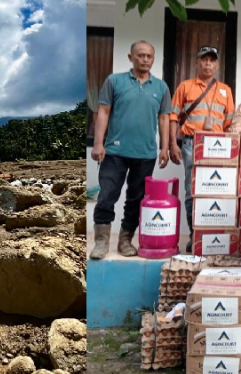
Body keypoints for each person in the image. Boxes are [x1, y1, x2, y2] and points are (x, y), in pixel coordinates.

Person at [90, 40, 172, 259]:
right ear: (130, 57)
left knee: (135, 200)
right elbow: (103, 112)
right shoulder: (114, 81)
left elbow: (164, 119)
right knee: (107, 195)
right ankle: (101, 241)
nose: (145, 59)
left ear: (153, 60)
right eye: (140, 55)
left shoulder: (161, 87)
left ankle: (125, 240)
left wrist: (164, 148)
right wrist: (98, 143)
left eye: (149, 56)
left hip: (146, 154)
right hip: (115, 152)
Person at [169, 46, 235, 254]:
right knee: (192, 191)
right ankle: (194, 236)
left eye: (212, 60)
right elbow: (173, 117)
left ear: (217, 65)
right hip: (191, 144)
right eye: (203, 60)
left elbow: (229, 122)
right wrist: (173, 144)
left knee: (216, 191)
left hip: (217, 147)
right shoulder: (185, 86)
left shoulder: (225, 90)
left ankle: (210, 236)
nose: (208, 64)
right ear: (197, 62)